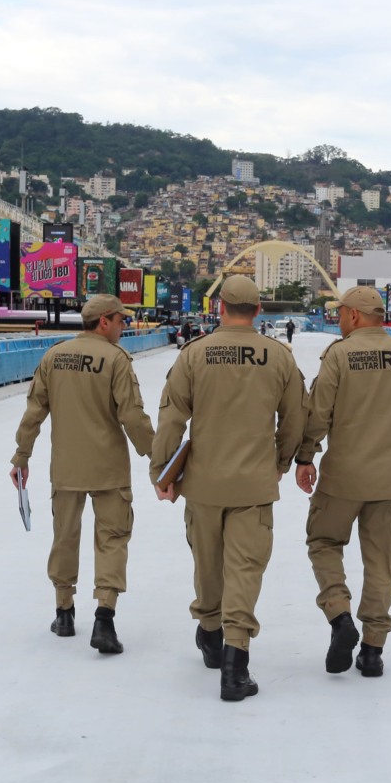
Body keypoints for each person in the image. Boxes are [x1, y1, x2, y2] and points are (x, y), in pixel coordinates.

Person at [151, 275, 305, 702]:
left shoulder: (193, 354)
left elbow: (171, 418)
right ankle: (236, 666)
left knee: (207, 563)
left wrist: (161, 473)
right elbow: (294, 420)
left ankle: (210, 630)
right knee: (246, 568)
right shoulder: (279, 358)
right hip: (253, 484)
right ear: (258, 311)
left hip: (202, 482)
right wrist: (281, 462)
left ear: (219, 307)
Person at [295, 286, 391, 678]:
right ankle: (373, 649)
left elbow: (318, 413)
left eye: (341, 313)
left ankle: (340, 615)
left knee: (323, 542)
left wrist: (306, 456)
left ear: (355, 316)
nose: (338, 319)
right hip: (389, 480)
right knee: (381, 562)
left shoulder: (338, 355)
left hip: (342, 477)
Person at [10, 294, 155, 654]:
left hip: (66, 467)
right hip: (108, 469)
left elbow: (34, 412)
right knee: (113, 537)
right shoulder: (116, 360)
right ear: (104, 321)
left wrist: (21, 456)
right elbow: (132, 416)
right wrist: (159, 457)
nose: (124, 327)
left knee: (65, 537)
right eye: (121, 321)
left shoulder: (54, 356)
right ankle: (104, 616)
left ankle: (63, 613)